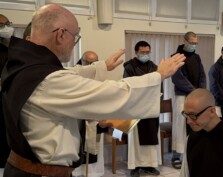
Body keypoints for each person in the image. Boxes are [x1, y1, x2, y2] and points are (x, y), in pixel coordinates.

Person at [1, 4, 186, 177]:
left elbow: (69, 72)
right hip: (40, 171)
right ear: (61, 34)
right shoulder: (46, 79)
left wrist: (102, 66)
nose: (75, 43)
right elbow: (111, 92)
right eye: (76, 37)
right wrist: (158, 76)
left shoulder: (26, 66)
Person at [123, 41, 161, 177]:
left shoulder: (155, 67)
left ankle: (150, 165)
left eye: (147, 52)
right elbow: (127, 86)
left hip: (151, 108)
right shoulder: (129, 67)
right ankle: (135, 166)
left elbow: (159, 85)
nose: (145, 55)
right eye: (142, 52)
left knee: (152, 137)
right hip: (136, 108)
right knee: (136, 140)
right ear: (136, 53)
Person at [170, 31, 206, 169]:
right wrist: (192, 90)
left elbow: (202, 75)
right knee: (180, 125)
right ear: (184, 41)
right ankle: (176, 155)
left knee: (196, 123)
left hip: (196, 96)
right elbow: (177, 77)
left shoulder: (197, 57)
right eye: (191, 42)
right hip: (182, 95)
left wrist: (200, 90)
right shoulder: (175, 57)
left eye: (195, 43)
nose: (193, 45)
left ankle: (193, 152)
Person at [73, 51, 108, 177]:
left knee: (94, 160)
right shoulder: (74, 77)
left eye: (95, 63)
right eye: (89, 62)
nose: (93, 66)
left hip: (96, 123)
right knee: (78, 154)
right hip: (78, 124)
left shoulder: (100, 77)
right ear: (82, 61)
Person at [0, 14, 13, 168]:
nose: (6, 27)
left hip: (9, 101)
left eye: (7, 23)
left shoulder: (13, 48)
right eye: (1, 25)